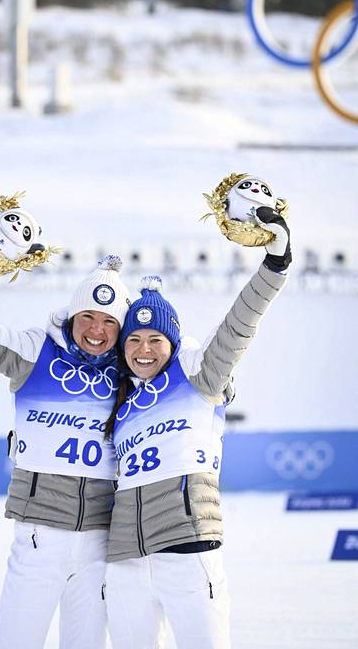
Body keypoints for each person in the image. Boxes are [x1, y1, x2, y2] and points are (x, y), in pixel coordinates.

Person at [0, 202, 131, 649]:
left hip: (102, 542)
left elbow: (192, 371)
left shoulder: (134, 371)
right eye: (88, 317)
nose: (97, 331)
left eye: (109, 322)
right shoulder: (33, 352)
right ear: (71, 316)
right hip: (39, 537)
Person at [104, 206, 292, 649]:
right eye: (133, 340)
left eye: (155, 341)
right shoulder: (120, 401)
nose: (143, 350)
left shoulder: (200, 377)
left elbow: (238, 325)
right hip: (126, 561)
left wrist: (275, 266)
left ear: (172, 343)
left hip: (189, 553)